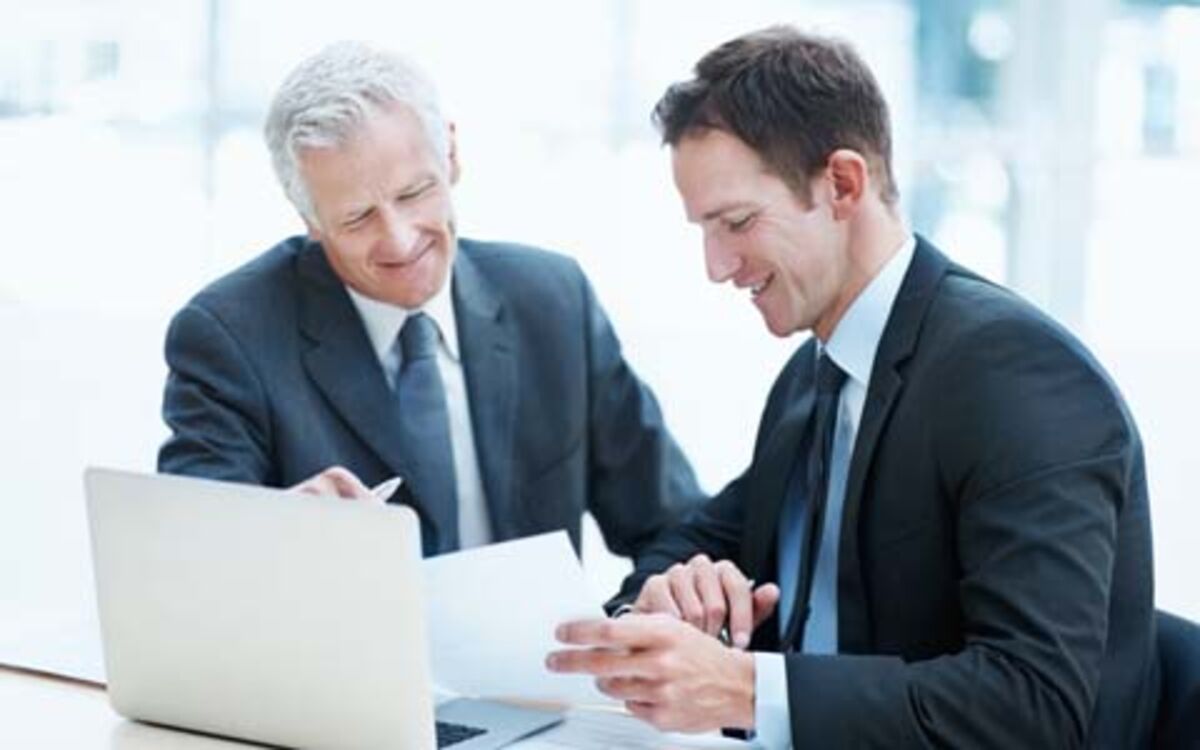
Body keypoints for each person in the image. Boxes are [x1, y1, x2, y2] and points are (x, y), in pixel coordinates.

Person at [547, 26, 1157, 748]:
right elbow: (696, 538)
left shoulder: (1016, 377)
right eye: (704, 230)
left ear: (843, 183)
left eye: (736, 222)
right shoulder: (817, 377)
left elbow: (1032, 706)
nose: (716, 266)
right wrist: (665, 595)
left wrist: (742, 688)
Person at [157, 41, 704, 558]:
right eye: (357, 217)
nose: (399, 239)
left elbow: (676, 527)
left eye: (413, 193)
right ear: (309, 220)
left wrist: (641, 615)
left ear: (452, 155)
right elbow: (197, 560)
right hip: (341, 656)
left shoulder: (553, 301)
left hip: (532, 656)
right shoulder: (229, 334)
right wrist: (278, 536)